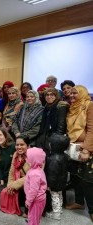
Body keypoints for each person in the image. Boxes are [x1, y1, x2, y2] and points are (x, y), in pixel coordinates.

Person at [66, 85, 93, 222]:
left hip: (85, 149)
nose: (71, 95)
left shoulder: (89, 105)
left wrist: (87, 149)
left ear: (82, 93)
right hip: (73, 148)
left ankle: (92, 210)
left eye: (75, 93)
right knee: (75, 176)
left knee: (87, 180)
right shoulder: (72, 107)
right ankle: (79, 202)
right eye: (70, 93)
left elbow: (92, 129)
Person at [0, 136, 30, 217]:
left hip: (29, 184)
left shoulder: (32, 156)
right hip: (17, 182)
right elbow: (11, 172)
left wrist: (14, 185)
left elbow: (31, 176)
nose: (19, 147)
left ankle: (28, 210)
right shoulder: (16, 154)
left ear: (28, 145)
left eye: (22, 144)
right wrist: (10, 185)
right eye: (17, 145)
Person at [45, 134, 70, 221]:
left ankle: (56, 214)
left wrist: (49, 185)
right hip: (62, 181)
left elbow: (52, 174)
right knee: (60, 195)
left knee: (54, 196)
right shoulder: (65, 156)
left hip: (55, 183)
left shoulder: (53, 159)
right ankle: (59, 209)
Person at [36, 88, 69, 153]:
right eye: (47, 95)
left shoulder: (61, 106)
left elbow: (61, 127)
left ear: (56, 96)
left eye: (52, 95)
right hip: (45, 137)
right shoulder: (46, 107)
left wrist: (55, 142)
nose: (49, 97)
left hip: (54, 139)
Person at [24, 147, 47, 225]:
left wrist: (28, 201)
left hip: (36, 200)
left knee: (34, 218)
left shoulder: (34, 174)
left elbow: (34, 190)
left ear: (33, 160)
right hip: (36, 199)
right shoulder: (37, 169)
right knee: (33, 217)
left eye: (27, 157)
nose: (26, 158)